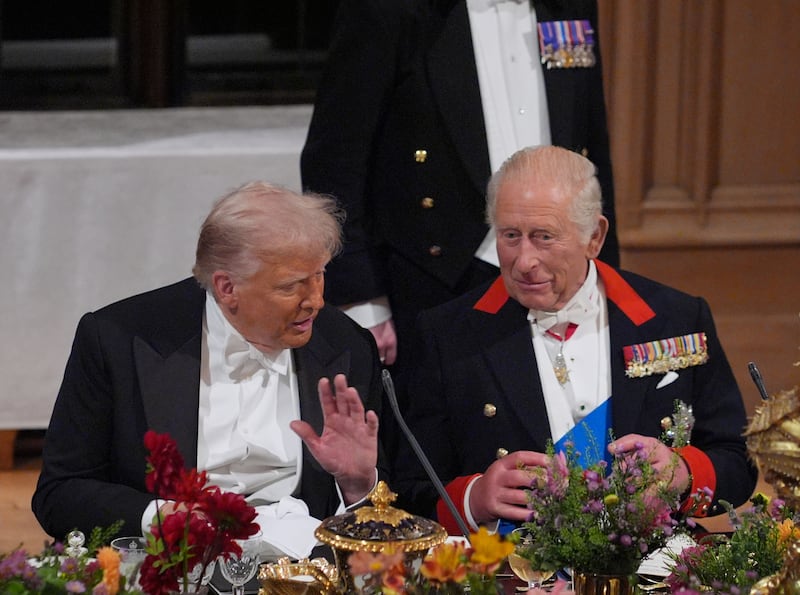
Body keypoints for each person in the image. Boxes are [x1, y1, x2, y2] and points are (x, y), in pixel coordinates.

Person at [393, 145, 757, 535]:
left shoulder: (677, 319)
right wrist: (474, 498)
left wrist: (682, 473)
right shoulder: (446, 334)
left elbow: (737, 460)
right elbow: (407, 488)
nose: (524, 261)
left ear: (595, 237)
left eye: (544, 237)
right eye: (510, 236)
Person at [32, 182, 386, 559]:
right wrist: (163, 517)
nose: (315, 300)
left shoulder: (347, 344)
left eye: (319, 275)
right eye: (292, 286)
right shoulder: (117, 339)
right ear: (226, 288)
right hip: (170, 567)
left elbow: (393, 506)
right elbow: (61, 493)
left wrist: (357, 484)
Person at [301, 0, 620, 377]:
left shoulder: (570, 4)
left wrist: (604, 275)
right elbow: (337, 155)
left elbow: (589, 143)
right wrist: (361, 297)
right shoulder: (388, 9)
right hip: (433, 276)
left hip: (557, 269)